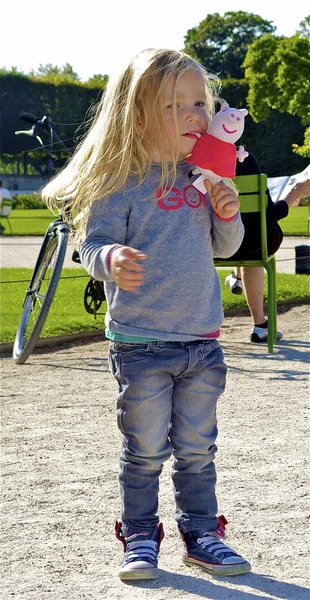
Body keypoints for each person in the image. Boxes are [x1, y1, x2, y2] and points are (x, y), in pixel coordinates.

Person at [41, 48, 251, 581]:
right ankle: (139, 535)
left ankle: (203, 534)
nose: (193, 115)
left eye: (199, 102)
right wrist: (110, 260)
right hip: (141, 345)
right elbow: (93, 246)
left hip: (202, 341)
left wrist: (228, 212)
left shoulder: (203, 175)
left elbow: (227, 247)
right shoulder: (121, 181)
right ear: (136, 115)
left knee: (198, 449)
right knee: (145, 450)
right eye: (174, 105)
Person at [222, 153, 310, 343]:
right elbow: (270, 213)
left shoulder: (185, 161)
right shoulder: (242, 159)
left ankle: (236, 278)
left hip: (206, 245)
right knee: (258, 237)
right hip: (247, 248)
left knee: (243, 226)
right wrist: (294, 193)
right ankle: (260, 325)